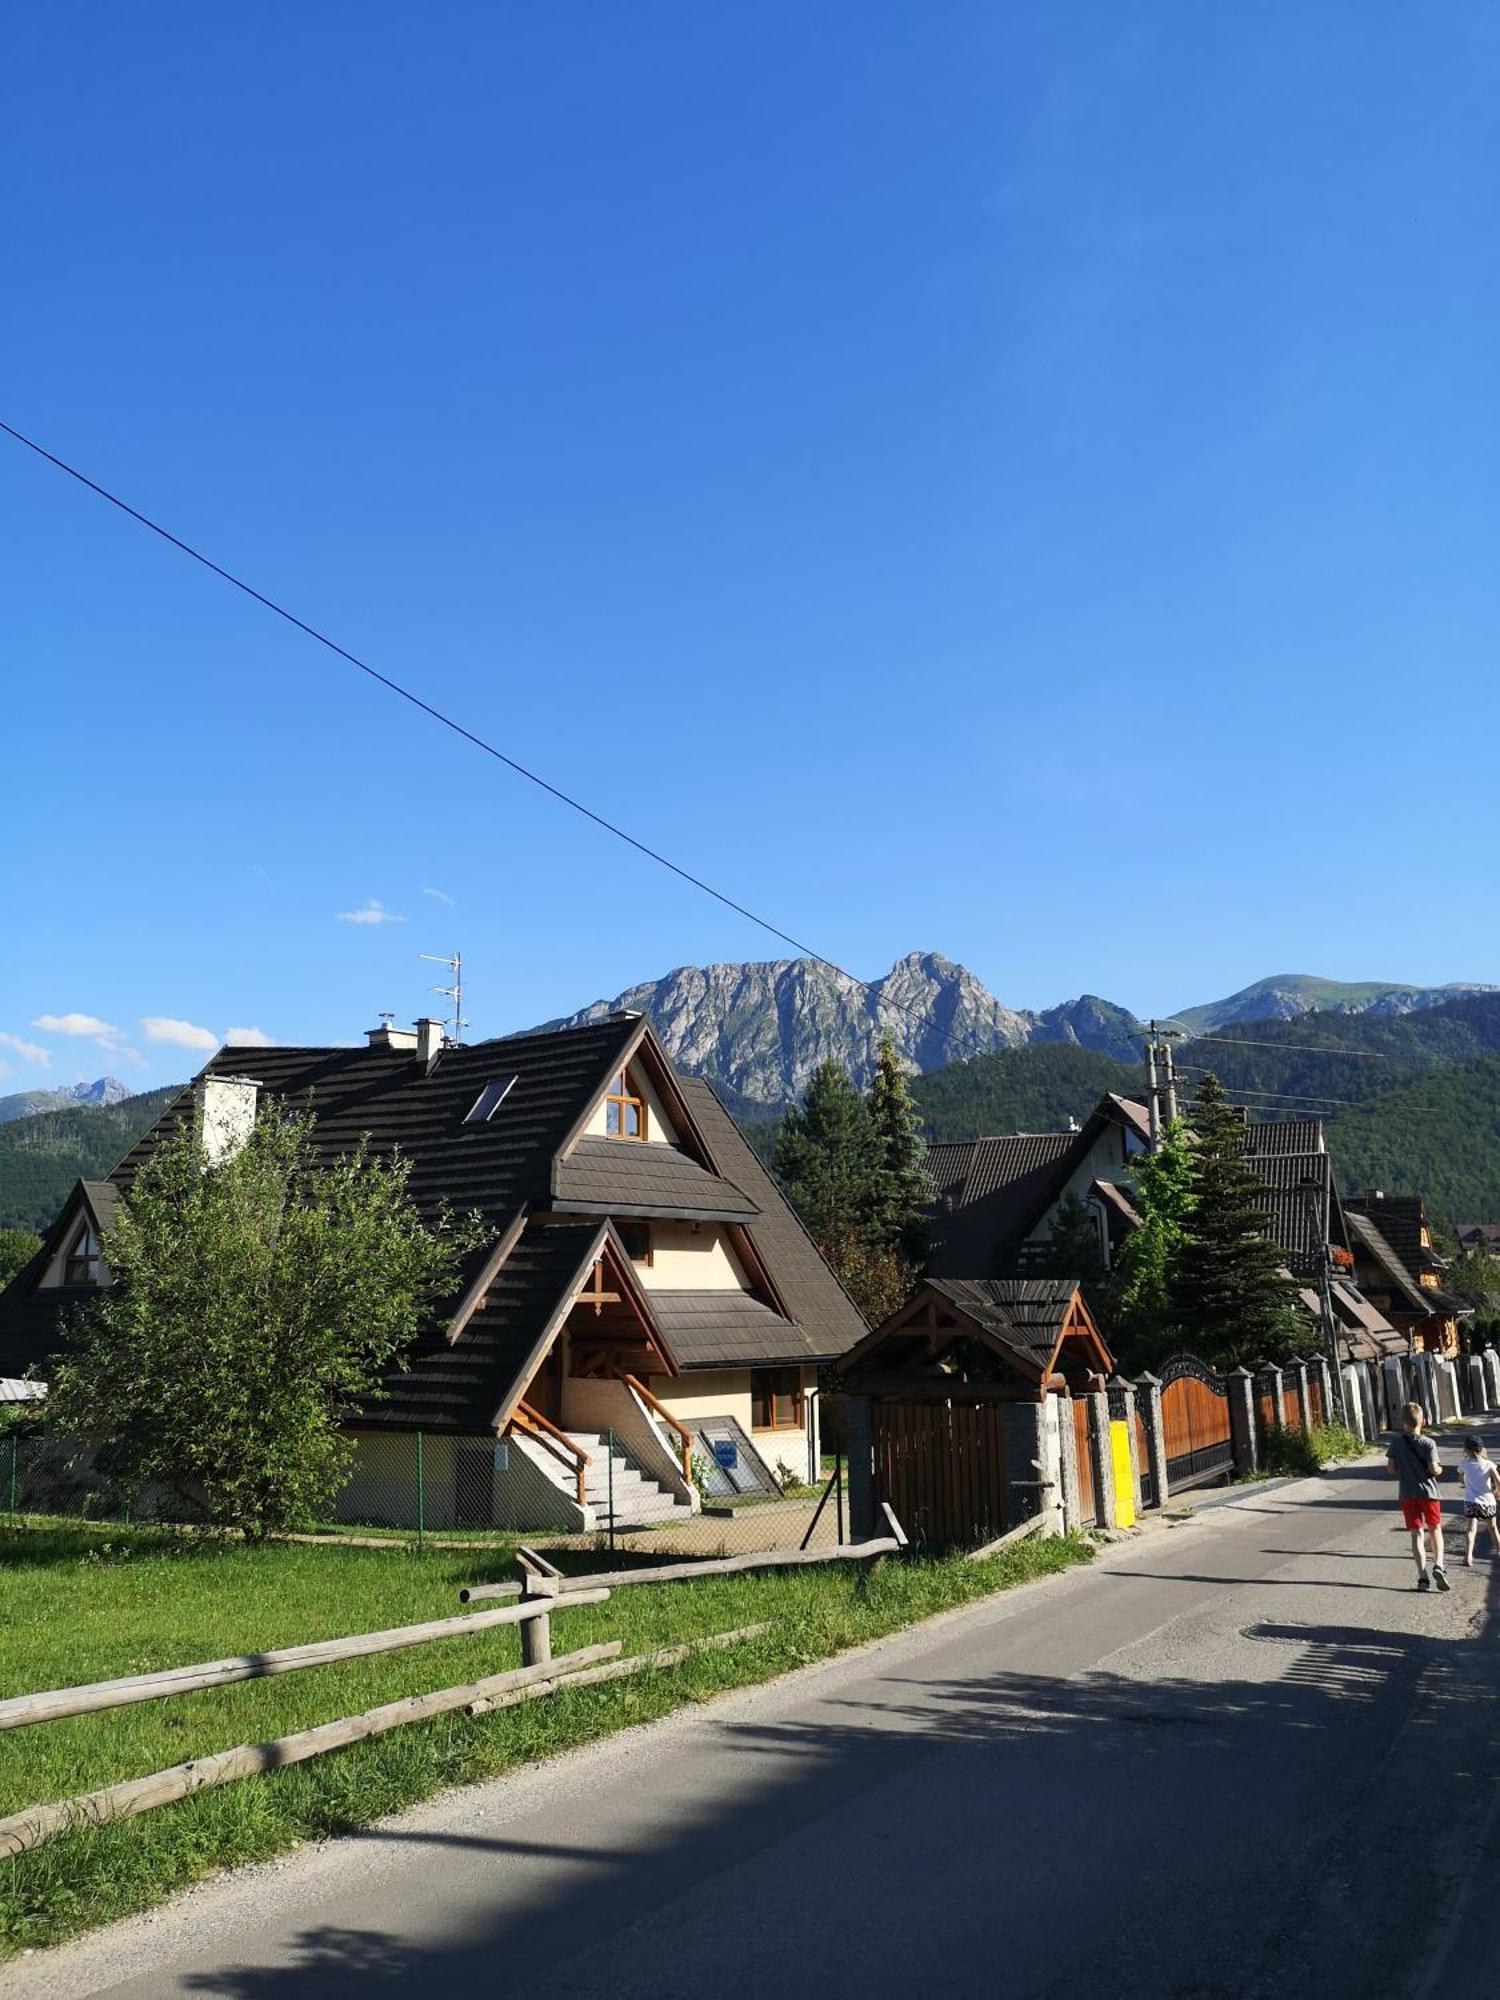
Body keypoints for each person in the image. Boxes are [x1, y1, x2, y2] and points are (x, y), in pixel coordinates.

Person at [1387, 1402, 1448, 1591]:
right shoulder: (1429, 1443)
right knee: (1435, 1529)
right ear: (1423, 1421)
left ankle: (1422, 1577)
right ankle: (1438, 1564)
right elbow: (1433, 1469)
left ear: (1403, 1422)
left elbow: (1391, 1468)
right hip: (1429, 1494)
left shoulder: (1396, 1443)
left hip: (1407, 1494)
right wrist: (1439, 1469)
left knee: (1416, 1534)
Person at [1458, 1436, 1500, 1567]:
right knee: (1493, 1528)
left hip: (1471, 1502)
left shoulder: (1464, 1464)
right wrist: (1497, 1491)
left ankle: (1468, 1557)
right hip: (1488, 1502)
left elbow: (1461, 1479)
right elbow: (1498, 1480)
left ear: (1466, 1449)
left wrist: (1466, 1484)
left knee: (1471, 1530)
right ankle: (1499, 1550)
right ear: (1481, 1449)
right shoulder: (1489, 1464)